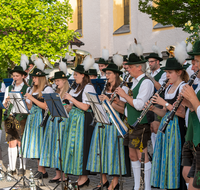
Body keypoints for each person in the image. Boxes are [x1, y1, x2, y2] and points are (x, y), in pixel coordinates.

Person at [87, 63, 130, 190]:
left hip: (115, 122)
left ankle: (114, 183)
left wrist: (107, 102)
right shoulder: (103, 87)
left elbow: (123, 110)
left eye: (109, 73)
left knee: (114, 152)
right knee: (100, 150)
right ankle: (103, 180)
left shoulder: (123, 89)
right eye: (106, 73)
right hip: (102, 121)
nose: (107, 76)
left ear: (116, 74)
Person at [115, 53, 154, 190]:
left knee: (142, 156)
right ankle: (138, 186)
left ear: (139, 67)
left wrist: (124, 95)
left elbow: (139, 105)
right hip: (131, 123)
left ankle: (146, 187)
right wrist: (119, 101)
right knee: (132, 155)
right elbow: (130, 105)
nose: (127, 69)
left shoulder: (147, 82)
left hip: (141, 123)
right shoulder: (136, 81)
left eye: (130, 66)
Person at [149, 57, 188, 190]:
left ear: (179, 72)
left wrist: (164, 103)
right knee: (164, 159)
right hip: (165, 129)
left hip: (177, 129)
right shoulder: (168, 88)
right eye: (166, 72)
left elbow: (182, 113)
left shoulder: (183, 87)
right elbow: (165, 112)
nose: (167, 75)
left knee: (174, 160)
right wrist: (153, 108)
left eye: (170, 72)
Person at [62, 65, 96, 188]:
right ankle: (79, 175)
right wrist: (66, 106)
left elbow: (86, 107)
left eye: (76, 74)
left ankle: (84, 177)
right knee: (75, 147)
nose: (74, 77)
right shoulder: (76, 87)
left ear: (83, 75)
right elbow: (72, 106)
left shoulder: (89, 87)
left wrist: (71, 99)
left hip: (84, 120)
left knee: (82, 147)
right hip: (75, 120)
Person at [22, 68, 54, 179]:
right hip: (33, 118)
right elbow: (31, 106)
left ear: (40, 78)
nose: (33, 80)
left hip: (42, 118)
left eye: (35, 77)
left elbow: (46, 107)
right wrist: (23, 102)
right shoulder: (32, 89)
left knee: (41, 144)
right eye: (32, 78)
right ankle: (41, 170)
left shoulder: (48, 89)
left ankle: (42, 170)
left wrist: (32, 98)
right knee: (35, 144)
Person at [39, 71, 70, 183]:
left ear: (64, 80)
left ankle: (64, 174)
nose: (56, 83)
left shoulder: (68, 91)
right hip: (53, 121)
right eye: (55, 81)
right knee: (55, 147)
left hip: (62, 121)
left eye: (58, 81)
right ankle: (58, 174)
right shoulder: (56, 91)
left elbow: (68, 107)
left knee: (61, 146)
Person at [180, 40, 200, 189]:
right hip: (194, 140)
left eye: (197, 62)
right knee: (189, 179)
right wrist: (190, 104)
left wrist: (193, 99)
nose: (193, 68)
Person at [3, 66, 29, 175]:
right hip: (10, 116)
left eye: (17, 76)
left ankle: (22, 166)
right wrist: (7, 100)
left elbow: (29, 105)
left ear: (23, 76)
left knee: (20, 143)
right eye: (13, 76)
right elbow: (4, 105)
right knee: (11, 142)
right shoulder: (8, 88)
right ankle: (12, 168)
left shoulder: (27, 88)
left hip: (22, 117)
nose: (15, 78)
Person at [145, 52, 167, 150]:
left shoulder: (163, 73)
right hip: (150, 102)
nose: (149, 64)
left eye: (151, 62)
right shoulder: (150, 73)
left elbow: (160, 88)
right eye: (149, 62)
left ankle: (159, 151)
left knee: (157, 128)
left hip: (159, 102)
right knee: (152, 129)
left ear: (157, 62)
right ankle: (154, 151)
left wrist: (150, 77)